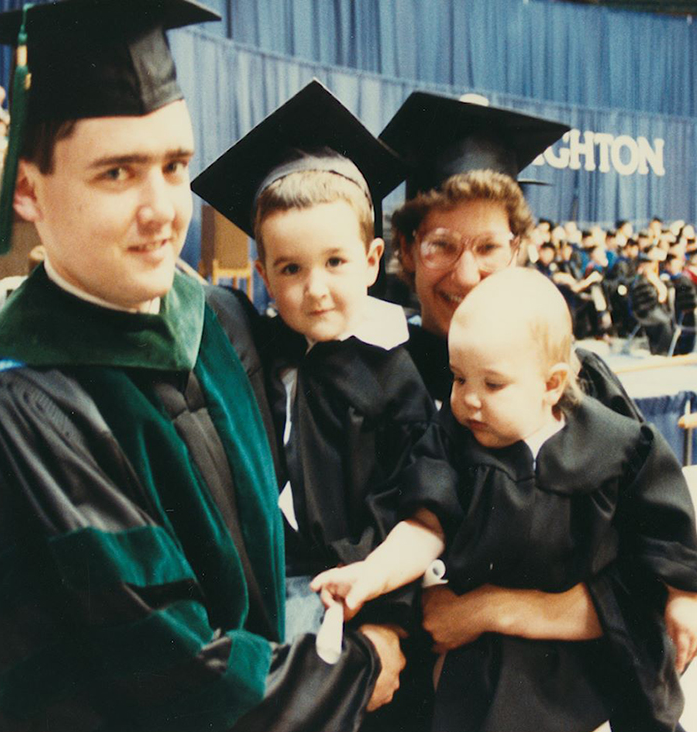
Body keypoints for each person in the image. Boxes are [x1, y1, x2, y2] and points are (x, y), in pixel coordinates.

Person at [0, 3, 402, 731]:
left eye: (175, 166)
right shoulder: (14, 404)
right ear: (27, 190)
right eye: (117, 172)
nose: (162, 211)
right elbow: (166, 675)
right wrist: (355, 668)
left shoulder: (206, 322)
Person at [378, 91, 697, 731]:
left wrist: (489, 609)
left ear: (520, 251)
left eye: (490, 248)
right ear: (404, 250)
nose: (467, 274)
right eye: (440, 244)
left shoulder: (580, 387)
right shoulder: (369, 391)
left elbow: (647, 587)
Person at [312, 267, 697, 732]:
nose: (469, 401)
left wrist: (685, 596)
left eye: (493, 384)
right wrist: (372, 573)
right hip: (492, 663)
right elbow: (425, 526)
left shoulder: (622, 447)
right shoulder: (453, 444)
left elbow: (666, 532)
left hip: (589, 656)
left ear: (551, 383)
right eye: (459, 379)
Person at [192, 80, 435, 731]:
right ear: (263, 274)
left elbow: (427, 510)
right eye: (291, 269)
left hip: (366, 606)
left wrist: (376, 590)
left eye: (335, 261)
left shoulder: (398, 372)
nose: (316, 288)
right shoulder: (248, 343)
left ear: (373, 259)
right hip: (263, 609)